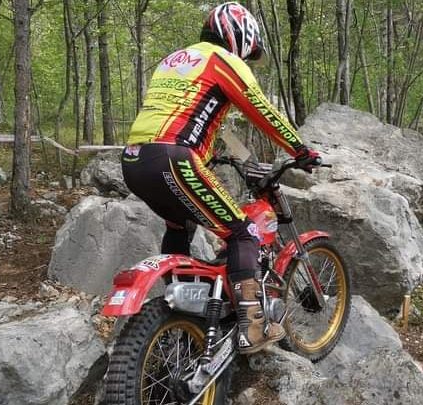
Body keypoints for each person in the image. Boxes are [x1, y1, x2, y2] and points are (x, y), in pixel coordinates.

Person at [121, 2, 319, 354]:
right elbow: (260, 109)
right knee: (243, 232)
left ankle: (183, 310)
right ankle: (252, 329)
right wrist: (300, 151)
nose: (249, 55)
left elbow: (182, 113)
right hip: (174, 158)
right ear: (240, 36)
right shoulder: (222, 60)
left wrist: (210, 154)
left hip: (135, 161)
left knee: (179, 227)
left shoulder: (175, 60)